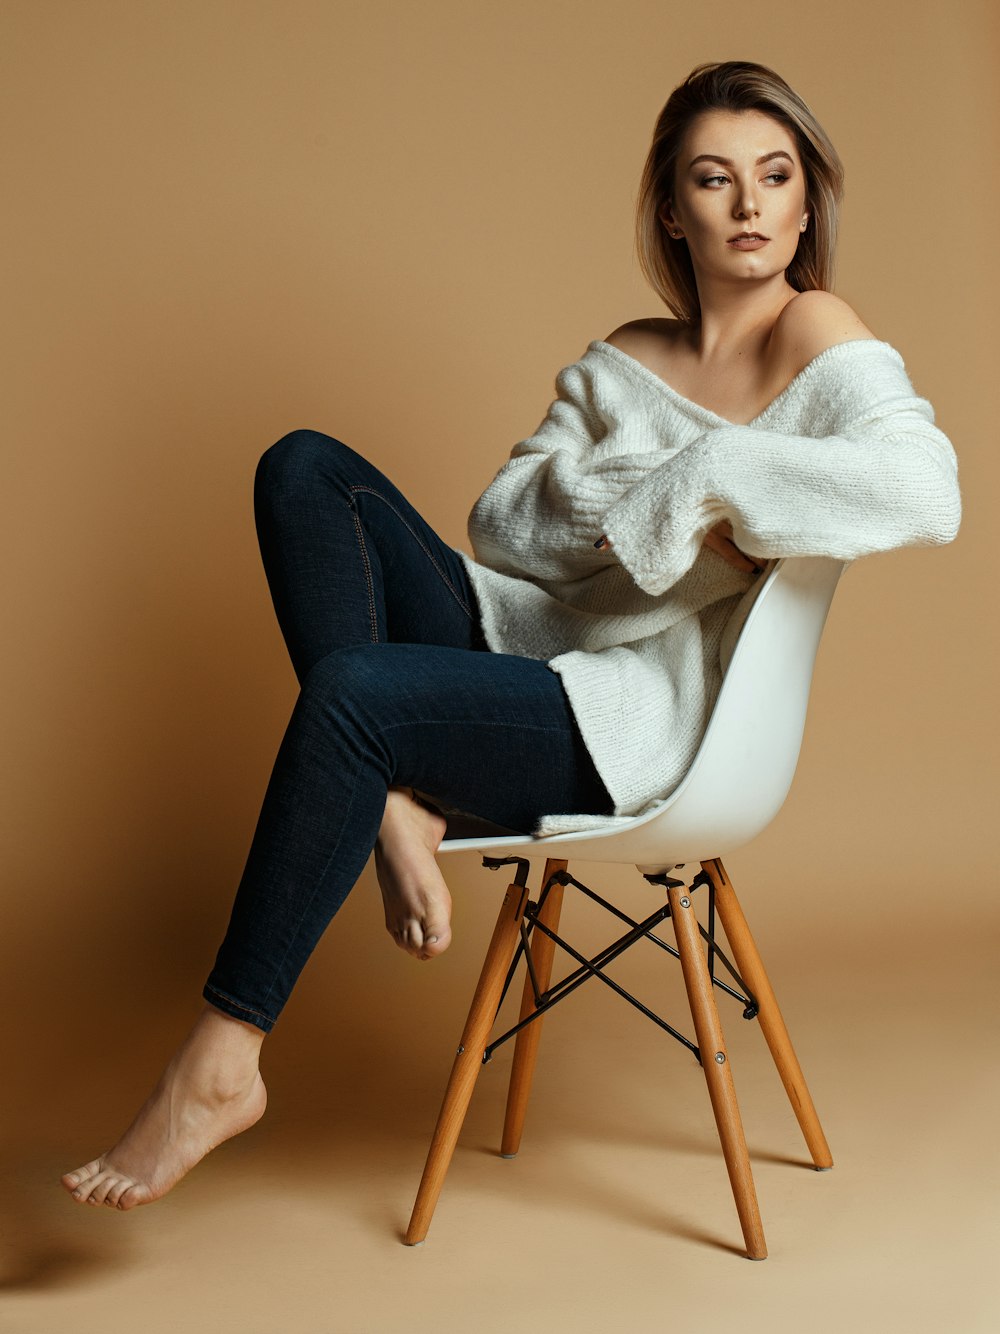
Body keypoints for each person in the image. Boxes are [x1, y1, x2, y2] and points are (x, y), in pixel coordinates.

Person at [62, 60, 960, 1211]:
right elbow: (503, 522)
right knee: (302, 469)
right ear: (671, 210)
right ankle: (388, 796)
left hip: (629, 720)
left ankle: (222, 1058)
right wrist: (667, 507)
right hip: (510, 643)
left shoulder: (816, 334)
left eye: (773, 176)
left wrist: (717, 466)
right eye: (714, 179)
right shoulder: (627, 354)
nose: (747, 206)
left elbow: (924, 488)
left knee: (349, 695)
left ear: (803, 200)